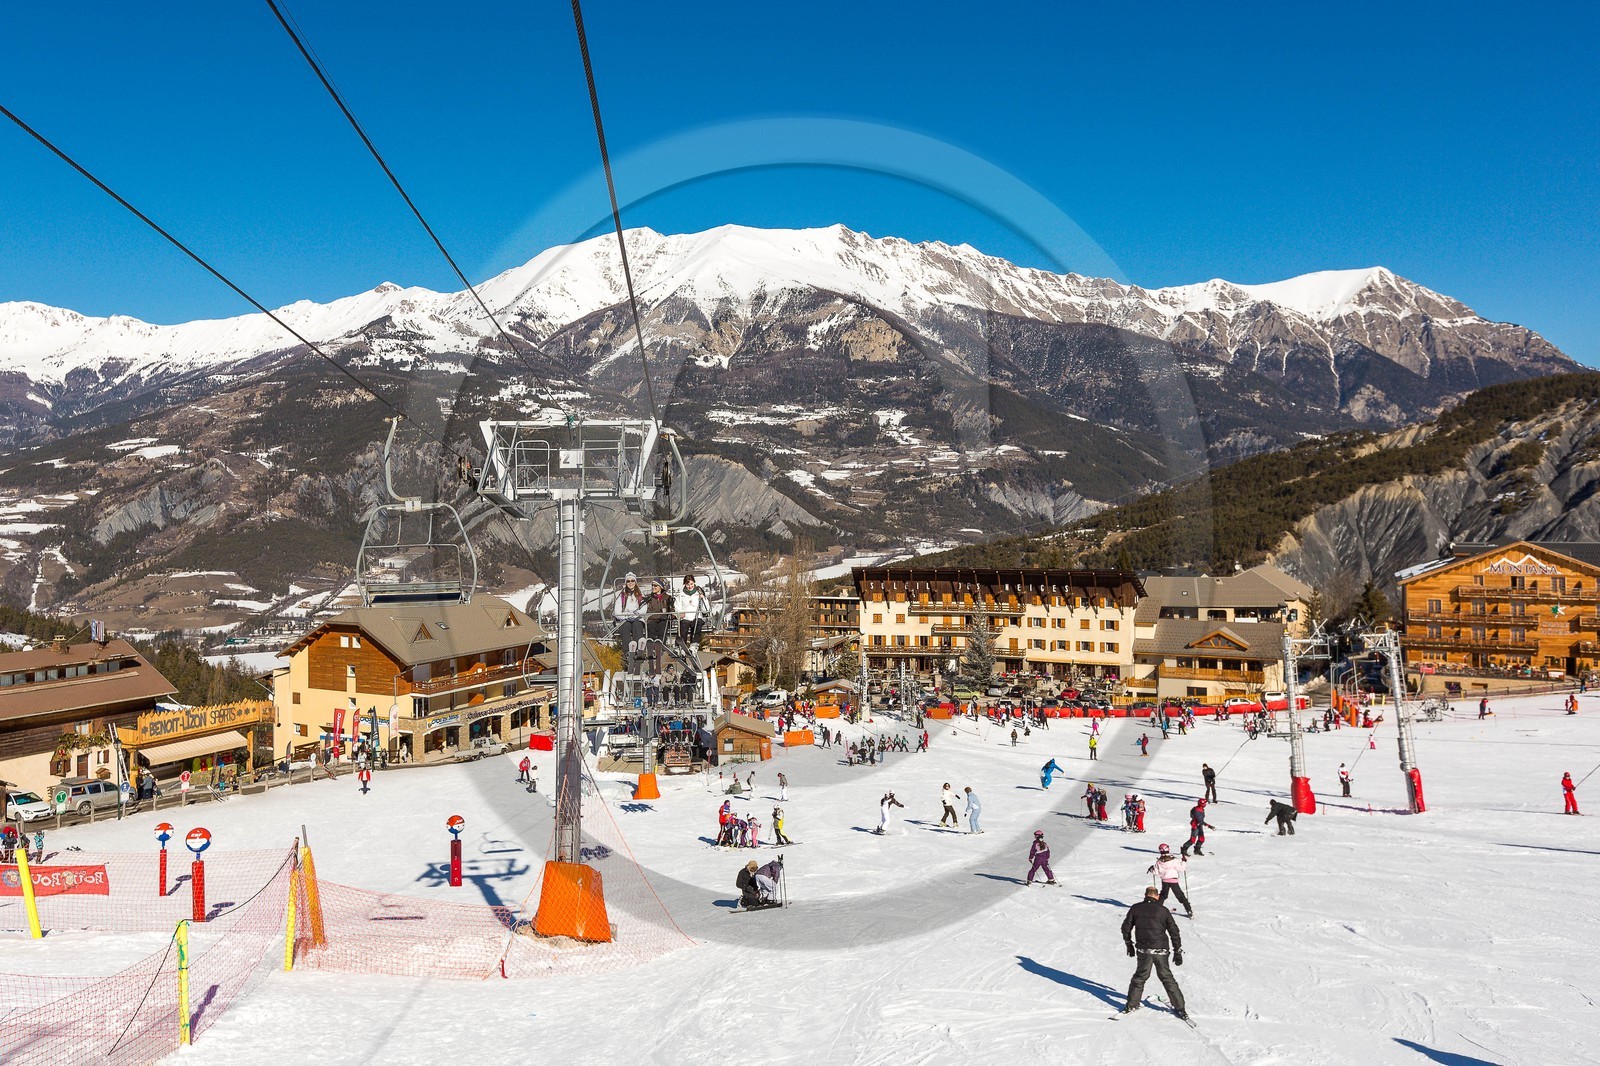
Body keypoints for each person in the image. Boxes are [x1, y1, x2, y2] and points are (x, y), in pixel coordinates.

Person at [1120, 885, 1188, 1018]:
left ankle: (1132, 1005)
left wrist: (1129, 945)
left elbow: (1125, 928)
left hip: (1144, 949)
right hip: (1161, 949)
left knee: (1140, 977)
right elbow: (1174, 931)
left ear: (1145, 895)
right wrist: (1177, 951)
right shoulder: (1163, 910)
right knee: (1167, 978)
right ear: (1156, 896)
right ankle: (1180, 1008)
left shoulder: (1136, 908)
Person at [612, 573, 647, 669]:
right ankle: (628, 651)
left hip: (637, 618)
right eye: (628, 581)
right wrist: (626, 616)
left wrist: (636, 615)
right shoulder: (622, 596)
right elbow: (617, 611)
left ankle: (639, 650)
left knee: (637, 625)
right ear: (626, 583)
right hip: (625, 619)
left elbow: (644, 609)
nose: (630, 583)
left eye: (632, 581)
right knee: (625, 626)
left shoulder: (640, 595)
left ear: (635, 582)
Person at [1148, 843, 1192, 916]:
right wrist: (1184, 861)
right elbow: (1181, 868)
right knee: (1180, 895)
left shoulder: (1159, 862)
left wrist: (1152, 869)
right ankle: (1189, 910)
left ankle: (1157, 909)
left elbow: (1156, 872)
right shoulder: (1173, 860)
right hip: (1173, 881)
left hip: (1165, 881)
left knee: (1163, 895)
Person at [675, 575, 710, 650]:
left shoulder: (699, 594)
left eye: (691, 584)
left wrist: (703, 599)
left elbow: (705, 609)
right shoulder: (681, 595)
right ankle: (680, 646)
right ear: (685, 584)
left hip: (696, 616)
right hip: (686, 617)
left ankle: (694, 644)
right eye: (688, 584)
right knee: (683, 626)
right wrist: (680, 613)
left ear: (694, 583)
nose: (690, 586)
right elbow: (677, 606)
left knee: (698, 624)